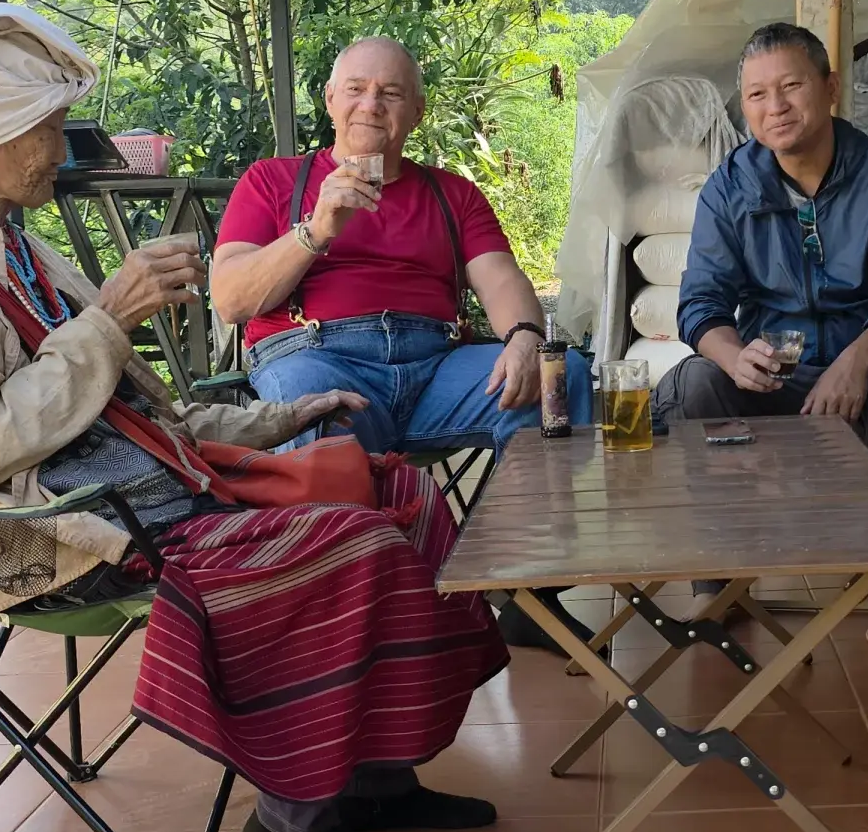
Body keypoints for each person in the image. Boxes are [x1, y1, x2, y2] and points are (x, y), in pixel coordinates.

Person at [0, 4, 507, 832]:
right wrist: (109, 318)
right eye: (48, 129)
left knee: (400, 497)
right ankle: (292, 822)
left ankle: (377, 781)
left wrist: (282, 417)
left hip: (149, 490)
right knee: (346, 545)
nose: (61, 150)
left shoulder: (19, 248)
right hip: (55, 531)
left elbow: (136, 411)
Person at [211, 35, 594, 653]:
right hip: (317, 355)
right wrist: (315, 229)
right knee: (313, 412)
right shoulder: (273, 181)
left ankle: (531, 591)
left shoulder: (452, 193)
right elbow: (231, 299)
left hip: (435, 362)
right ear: (330, 98)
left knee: (560, 376)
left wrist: (525, 336)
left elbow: (500, 278)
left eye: (391, 93)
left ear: (415, 110)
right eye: (357, 89)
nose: (371, 104)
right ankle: (346, 621)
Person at [663, 21, 868, 646]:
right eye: (757, 95)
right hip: (775, 372)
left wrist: (858, 359)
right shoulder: (730, 187)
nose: (776, 108)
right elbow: (700, 302)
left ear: (830, 89)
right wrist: (735, 356)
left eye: (791, 87)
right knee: (695, 381)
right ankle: (719, 579)